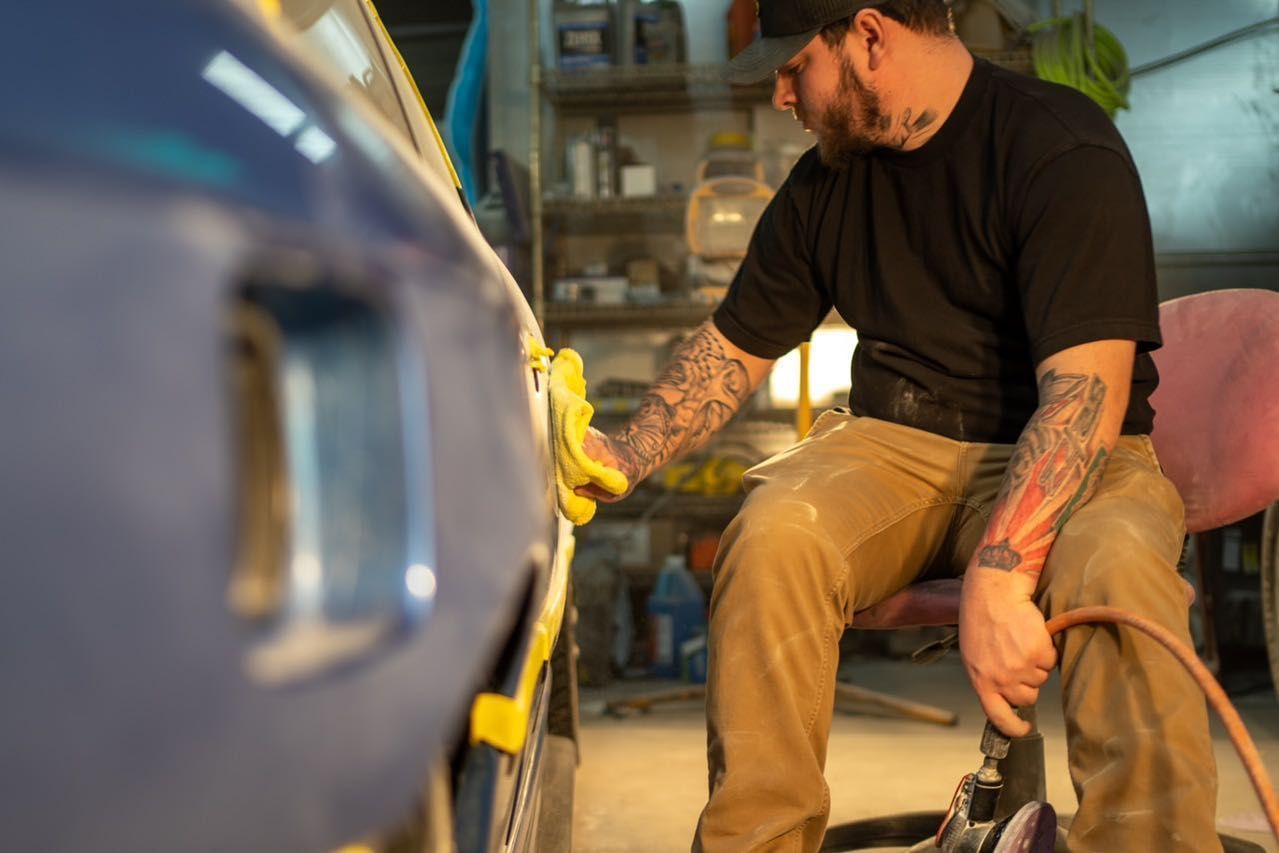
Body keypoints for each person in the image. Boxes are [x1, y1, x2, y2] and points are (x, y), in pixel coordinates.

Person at [577, 1, 1220, 850]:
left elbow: (1081, 400)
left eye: (792, 64)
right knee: (775, 536)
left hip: (1074, 445)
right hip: (894, 446)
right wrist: (624, 451)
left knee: (1117, 566)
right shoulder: (826, 182)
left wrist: (996, 574)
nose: (780, 94)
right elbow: (733, 346)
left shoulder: (1059, 147)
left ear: (868, 37)